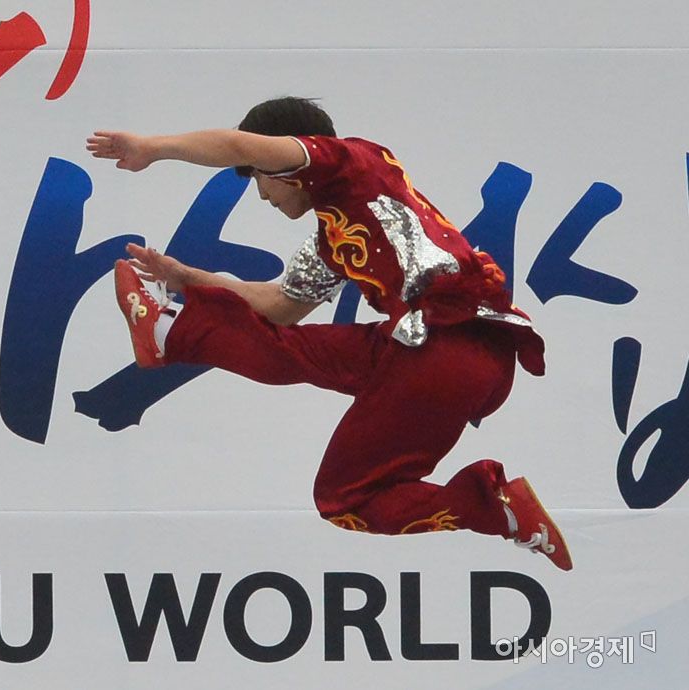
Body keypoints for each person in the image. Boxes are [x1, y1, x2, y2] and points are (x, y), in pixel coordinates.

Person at [87, 97, 572, 570]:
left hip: (444, 348)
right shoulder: (334, 230)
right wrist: (187, 278)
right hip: (447, 351)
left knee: (344, 498)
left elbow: (238, 144)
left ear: (283, 158)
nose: (262, 195)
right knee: (289, 350)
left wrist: (151, 148)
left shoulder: (346, 162)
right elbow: (279, 309)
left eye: (259, 177)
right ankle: (170, 331)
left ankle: (495, 510)